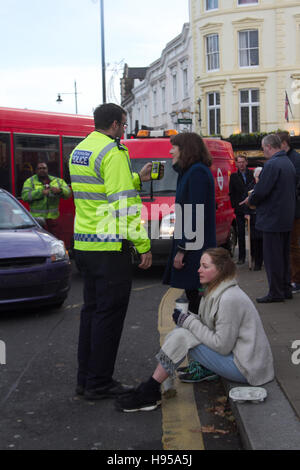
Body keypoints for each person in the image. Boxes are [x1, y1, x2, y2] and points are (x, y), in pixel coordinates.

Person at [116, 247, 274, 413]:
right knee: (182, 330)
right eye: (200, 265)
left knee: (183, 335)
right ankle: (151, 387)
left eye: (205, 266)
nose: (199, 270)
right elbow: (209, 326)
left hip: (246, 369)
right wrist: (187, 319)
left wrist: (188, 321)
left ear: (220, 270)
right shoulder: (215, 289)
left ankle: (150, 390)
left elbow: (222, 345)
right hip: (237, 357)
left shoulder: (229, 299)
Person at [69, 103, 153, 401]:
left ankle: (86, 379)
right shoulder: (113, 152)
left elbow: (100, 190)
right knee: (109, 316)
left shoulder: (80, 150)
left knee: (91, 313)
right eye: (124, 124)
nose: (125, 128)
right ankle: (99, 383)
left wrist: (136, 179)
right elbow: (125, 206)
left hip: (85, 245)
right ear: (116, 124)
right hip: (108, 247)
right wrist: (143, 245)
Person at [163, 132, 216, 314]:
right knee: (194, 297)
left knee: (196, 301)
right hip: (194, 245)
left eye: (174, 147)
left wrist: (183, 249)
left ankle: (201, 339)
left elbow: (195, 214)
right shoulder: (189, 172)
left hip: (195, 249)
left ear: (185, 150)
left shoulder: (197, 173)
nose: (170, 152)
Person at [244, 134, 296, 303]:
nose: (262, 150)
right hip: (286, 217)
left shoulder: (272, 165)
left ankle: (275, 292)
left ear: (268, 147)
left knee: (273, 258)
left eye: (262, 147)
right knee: (283, 256)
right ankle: (285, 288)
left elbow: (261, 190)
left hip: (272, 219)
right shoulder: (287, 163)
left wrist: (250, 200)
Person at [21, 162, 71, 239]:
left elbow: (68, 193)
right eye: (39, 168)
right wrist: (40, 193)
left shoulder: (57, 181)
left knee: (54, 241)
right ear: (36, 170)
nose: (42, 170)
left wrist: (60, 190)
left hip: (53, 221)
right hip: (38, 221)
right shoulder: (30, 181)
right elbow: (25, 196)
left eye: (44, 168)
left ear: (47, 170)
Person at [277, 132, 300, 294]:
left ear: (284, 143)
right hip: (287, 209)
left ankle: (296, 279)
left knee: (293, 246)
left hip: (294, 210)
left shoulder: (295, 159)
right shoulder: (289, 158)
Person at [229, 154, 255, 265]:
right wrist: (236, 206)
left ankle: (253, 256)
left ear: (246, 162)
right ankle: (241, 257)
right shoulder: (234, 177)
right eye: (239, 162)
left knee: (253, 234)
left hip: (251, 208)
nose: (241, 164)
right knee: (240, 234)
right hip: (239, 209)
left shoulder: (252, 175)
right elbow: (232, 193)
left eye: (243, 162)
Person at [249, 167, 264, 271]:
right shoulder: (250, 187)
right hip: (253, 218)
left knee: (264, 242)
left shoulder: (266, 187)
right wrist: (246, 213)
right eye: (258, 177)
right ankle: (256, 263)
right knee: (255, 242)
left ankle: (263, 262)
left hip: (263, 218)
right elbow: (245, 201)